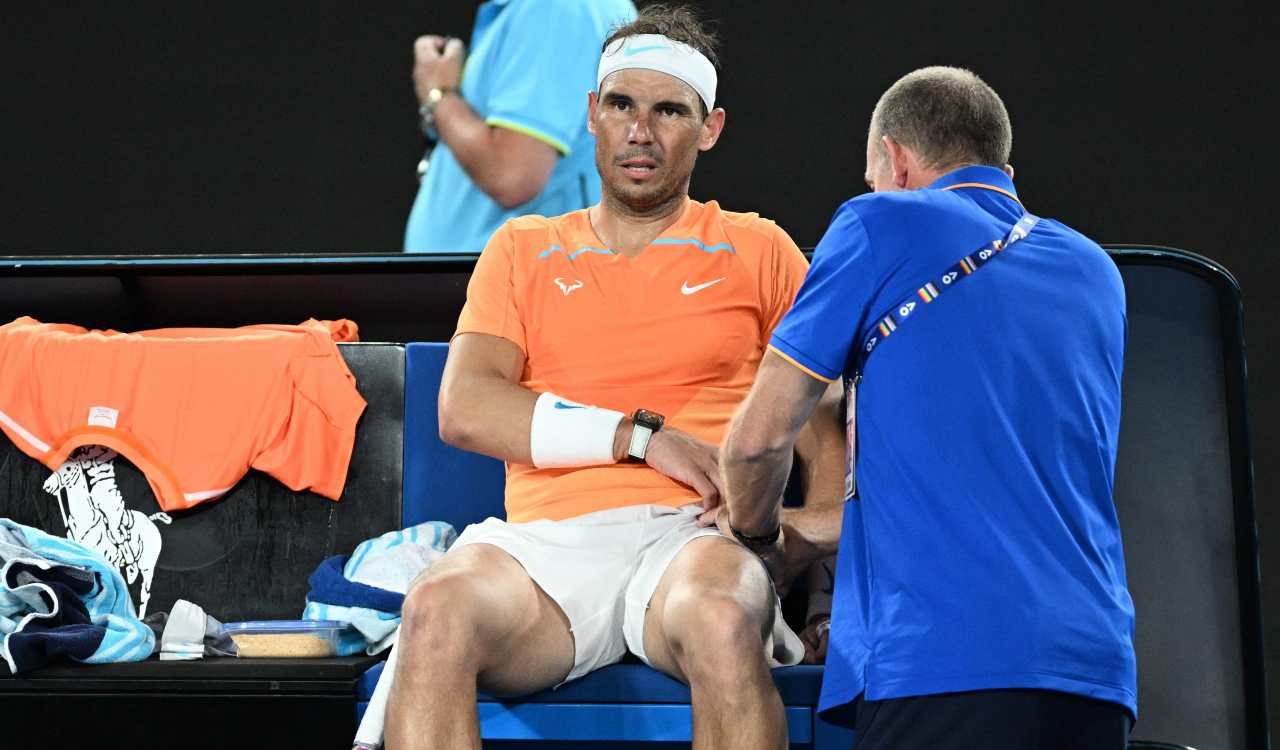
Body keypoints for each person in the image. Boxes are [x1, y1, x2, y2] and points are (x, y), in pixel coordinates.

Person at [384, 6, 845, 749]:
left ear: (710, 128)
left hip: (693, 541)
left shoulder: (760, 249)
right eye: (622, 106)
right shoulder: (522, 248)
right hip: (547, 549)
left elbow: (825, 429)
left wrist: (813, 573)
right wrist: (638, 439)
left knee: (725, 618)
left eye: (670, 111)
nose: (641, 131)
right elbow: (464, 407)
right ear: (591, 115)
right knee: (436, 608)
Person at [717, 66, 1137, 748]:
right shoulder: (1096, 270)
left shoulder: (883, 221)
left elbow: (757, 443)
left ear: (896, 159)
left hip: (943, 663)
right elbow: (1003, 489)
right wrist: (815, 532)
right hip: (1091, 670)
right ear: (1002, 165)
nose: (871, 190)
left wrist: (760, 538)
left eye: (871, 175)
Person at [403, 0, 636, 253]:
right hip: (508, 278)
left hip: (521, 281)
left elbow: (511, 175)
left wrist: (439, 95)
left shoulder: (556, 8)